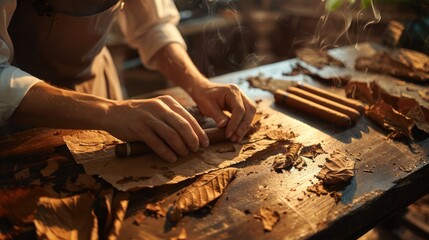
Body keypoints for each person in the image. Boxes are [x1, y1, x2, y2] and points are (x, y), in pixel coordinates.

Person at [0, 0, 256, 162]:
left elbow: (152, 27)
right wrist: (108, 112)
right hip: (18, 111)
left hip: (96, 86)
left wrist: (200, 85)